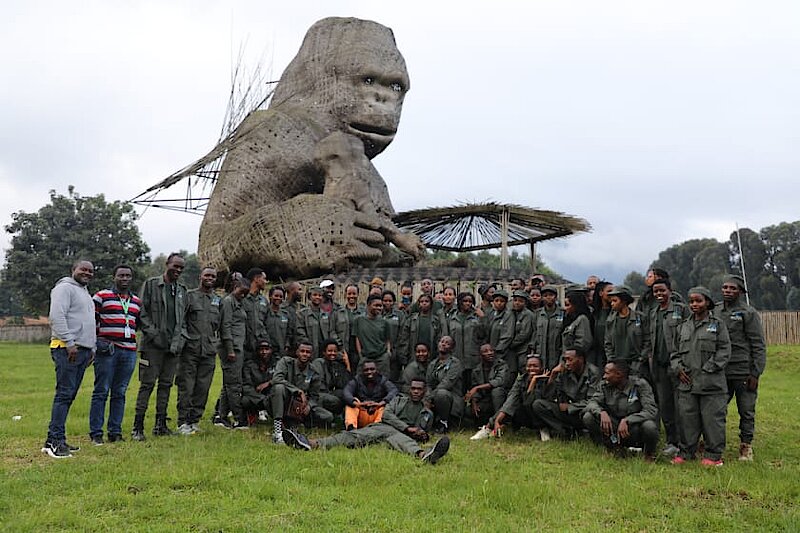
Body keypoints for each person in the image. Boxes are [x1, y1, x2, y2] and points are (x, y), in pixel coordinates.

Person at [282, 379, 450, 465]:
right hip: (384, 427)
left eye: (419, 389)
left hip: (398, 436)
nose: (415, 392)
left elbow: (422, 430)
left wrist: (421, 434)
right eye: (413, 388)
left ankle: (423, 454)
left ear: (424, 391)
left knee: (398, 438)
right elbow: (387, 415)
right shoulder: (399, 400)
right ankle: (312, 443)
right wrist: (407, 428)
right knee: (354, 436)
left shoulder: (427, 411)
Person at [670, 287, 731, 466]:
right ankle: (686, 453)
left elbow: (724, 350)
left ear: (707, 302)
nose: (694, 304)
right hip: (687, 384)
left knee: (713, 420)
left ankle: (713, 456)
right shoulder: (683, 326)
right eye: (691, 301)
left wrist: (708, 368)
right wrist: (678, 369)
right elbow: (674, 352)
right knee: (687, 420)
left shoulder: (718, 325)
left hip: (711, 383)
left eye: (698, 301)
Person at [42, 260, 96, 458]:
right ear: (73, 270)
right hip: (67, 349)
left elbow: (88, 322)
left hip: (82, 350)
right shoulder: (64, 288)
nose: (87, 273)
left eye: (90, 271)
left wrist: (92, 347)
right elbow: (56, 316)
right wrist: (69, 342)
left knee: (69, 395)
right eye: (83, 269)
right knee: (64, 394)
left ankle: (54, 438)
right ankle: (55, 442)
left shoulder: (85, 292)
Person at [133, 253, 187, 440]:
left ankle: (160, 425)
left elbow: (184, 319)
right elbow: (142, 313)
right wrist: (154, 334)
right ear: (167, 264)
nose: (178, 270)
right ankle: (138, 427)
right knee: (147, 385)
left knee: (166, 385)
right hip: (152, 346)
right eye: (175, 266)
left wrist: (180, 340)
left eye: (181, 268)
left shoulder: (182, 290)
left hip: (173, 347)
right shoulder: (151, 285)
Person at [89, 264, 141, 445]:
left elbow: (136, 324)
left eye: (128, 276)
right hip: (108, 350)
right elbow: (91, 320)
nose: (125, 279)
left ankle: (115, 432)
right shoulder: (101, 296)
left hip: (129, 351)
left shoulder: (136, 301)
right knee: (101, 391)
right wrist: (97, 342)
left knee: (120, 392)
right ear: (114, 277)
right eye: (121, 275)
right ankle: (96, 433)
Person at [720, 274, 766, 461]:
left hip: (743, 372)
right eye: (725, 287)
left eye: (732, 288)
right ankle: (714, 444)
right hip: (721, 371)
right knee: (717, 410)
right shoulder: (715, 311)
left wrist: (756, 372)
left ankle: (746, 446)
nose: (728, 291)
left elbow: (758, 344)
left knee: (746, 410)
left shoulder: (748, 313)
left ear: (740, 291)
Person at [583, 361, 659, 461]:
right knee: (589, 417)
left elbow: (650, 411)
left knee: (649, 426)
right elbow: (591, 403)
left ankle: (649, 454)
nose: (604, 377)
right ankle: (612, 448)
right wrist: (601, 412)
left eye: (607, 373)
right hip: (613, 427)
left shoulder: (640, 385)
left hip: (633, 428)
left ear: (619, 374)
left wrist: (628, 420)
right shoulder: (604, 385)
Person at [175, 267, 221, 435]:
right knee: (186, 386)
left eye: (213, 276)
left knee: (203, 387)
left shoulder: (218, 300)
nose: (210, 278)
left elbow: (221, 325)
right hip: (190, 349)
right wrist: (184, 341)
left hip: (209, 350)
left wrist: (217, 344)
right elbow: (181, 320)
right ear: (200, 277)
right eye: (207, 275)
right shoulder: (189, 296)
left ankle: (194, 420)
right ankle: (182, 422)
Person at [647, 277, 689, 457]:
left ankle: (685, 443)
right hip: (659, 367)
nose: (659, 294)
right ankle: (671, 441)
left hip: (677, 366)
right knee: (665, 407)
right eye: (655, 291)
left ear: (670, 291)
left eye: (662, 290)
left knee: (682, 408)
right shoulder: (653, 312)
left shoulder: (681, 310)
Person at [471, 355, 550, 440]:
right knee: (510, 407)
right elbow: (511, 400)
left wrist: (534, 381)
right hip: (526, 414)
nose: (532, 368)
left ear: (541, 367)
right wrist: (497, 420)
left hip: (541, 416)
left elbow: (530, 402)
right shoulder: (521, 379)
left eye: (535, 366)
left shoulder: (547, 380)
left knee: (537, 404)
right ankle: (488, 428)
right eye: (529, 366)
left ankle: (543, 429)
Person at [270, 341, 334, 443]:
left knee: (327, 417)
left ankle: (297, 425)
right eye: (302, 351)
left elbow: (314, 396)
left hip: (300, 406)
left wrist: (309, 406)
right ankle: (278, 431)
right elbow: (276, 379)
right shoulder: (286, 362)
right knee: (279, 388)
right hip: (282, 401)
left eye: (308, 352)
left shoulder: (314, 371)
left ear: (312, 354)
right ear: (297, 352)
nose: (305, 354)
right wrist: (298, 391)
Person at [532, 348, 600, 440]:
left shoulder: (593, 373)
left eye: (570, 360)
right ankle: (566, 431)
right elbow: (548, 396)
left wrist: (570, 406)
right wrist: (553, 375)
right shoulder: (565, 371)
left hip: (582, 411)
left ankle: (584, 432)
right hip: (567, 411)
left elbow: (593, 401)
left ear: (581, 359)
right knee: (538, 404)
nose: (567, 363)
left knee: (588, 415)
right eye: (565, 360)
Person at [215, 276, 251, 430]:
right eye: (241, 291)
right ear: (235, 287)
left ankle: (221, 416)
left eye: (246, 293)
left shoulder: (239, 303)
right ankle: (238, 418)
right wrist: (230, 349)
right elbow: (225, 326)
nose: (243, 295)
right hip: (231, 349)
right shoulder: (228, 302)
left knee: (228, 384)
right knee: (234, 384)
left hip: (238, 347)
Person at [604, 286, 649, 380]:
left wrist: (641, 359)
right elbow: (607, 342)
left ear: (624, 301)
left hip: (636, 365)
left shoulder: (640, 318)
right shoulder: (610, 320)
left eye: (615, 301)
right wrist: (611, 360)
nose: (612, 304)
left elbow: (647, 340)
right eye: (611, 301)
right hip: (617, 366)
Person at [464, 343, 509, 428]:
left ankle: (501, 422)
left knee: (496, 391)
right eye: (486, 351)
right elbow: (474, 388)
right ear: (480, 355)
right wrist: (474, 402)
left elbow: (499, 381)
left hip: (501, 398)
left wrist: (477, 388)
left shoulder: (501, 365)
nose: (489, 353)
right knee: (468, 411)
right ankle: (485, 423)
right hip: (486, 399)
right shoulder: (476, 370)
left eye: (491, 350)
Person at [444, 292, 482, 390]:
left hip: (472, 358)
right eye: (465, 301)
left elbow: (483, 335)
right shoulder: (451, 318)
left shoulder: (476, 318)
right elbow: (447, 337)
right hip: (456, 356)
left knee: (472, 384)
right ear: (460, 302)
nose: (467, 303)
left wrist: (482, 318)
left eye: (470, 301)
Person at [343, 360, 398, 429]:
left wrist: (381, 403)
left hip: (377, 413)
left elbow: (394, 391)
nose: (369, 372)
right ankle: (351, 428)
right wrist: (358, 404)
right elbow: (346, 392)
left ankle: (377, 429)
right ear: (362, 371)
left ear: (376, 370)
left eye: (372, 369)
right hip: (361, 412)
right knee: (351, 404)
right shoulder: (356, 380)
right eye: (366, 370)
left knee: (385, 407)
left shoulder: (383, 381)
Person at [426, 335, 464, 433]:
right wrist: (426, 397)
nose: (443, 344)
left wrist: (430, 398)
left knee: (441, 393)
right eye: (442, 341)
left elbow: (446, 384)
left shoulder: (455, 363)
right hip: (434, 396)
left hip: (451, 398)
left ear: (452, 348)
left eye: (447, 343)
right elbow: (429, 384)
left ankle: (443, 423)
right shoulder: (433, 363)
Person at [296, 286, 342, 359]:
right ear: (310, 297)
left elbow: (331, 331)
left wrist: (336, 344)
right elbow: (300, 332)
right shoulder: (302, 314)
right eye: (315, 295)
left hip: (324, 351)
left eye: (320, 295)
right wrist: (307, 347)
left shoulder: (326, 314)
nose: (317, 297)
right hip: (310, 351)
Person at [352, 294, 392, 375]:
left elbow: (388, 339)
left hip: (381, 358)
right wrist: (360, 354)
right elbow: (357, 338)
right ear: (368, 305)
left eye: (380, 306)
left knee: (382, 381)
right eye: (376, 305)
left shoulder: (385, 322)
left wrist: (388, 353)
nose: (379, 308)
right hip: (365, 357)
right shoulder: (358, 320)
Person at [312, 339, 352, 417]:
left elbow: (344, 384)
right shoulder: (319, 363)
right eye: (330, 351)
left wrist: (347, 365)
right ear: (324, 352)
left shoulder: (334, 365)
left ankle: (347, 418)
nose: (332, 353)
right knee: (335, 401)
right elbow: (319, 386)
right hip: (318, 395)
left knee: (347, 394)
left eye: (335, 351)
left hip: (329, 393)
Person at [397, 293, 441, 364]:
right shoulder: (411, 320)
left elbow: (439, 339)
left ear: (431, 304)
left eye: (426, 301)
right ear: (419, 304)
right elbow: (404, 338)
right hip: (413, 357)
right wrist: (403, 355)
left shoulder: (436, 321)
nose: (424, 303)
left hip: (431, 357)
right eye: (422, 301)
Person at [242, 340, 278, 424]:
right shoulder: (249, 365)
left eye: (267, 349)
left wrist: (269, 383)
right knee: (245, 400)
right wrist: (261, 399)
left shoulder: (277, 363)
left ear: (271, 350)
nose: (264, 352)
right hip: (256, 396)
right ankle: (252, 414)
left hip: (271, 394)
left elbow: (281, 379)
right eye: (261, 349)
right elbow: (246, 386)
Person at [483, 290, 515, 380]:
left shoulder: (508, 315)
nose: (499, 303)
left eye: (502, 301)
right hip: (491, 353)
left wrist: (497, 350)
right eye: (496, 300)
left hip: (503, 353)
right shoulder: (491, 313)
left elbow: (508, 336)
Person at [242, 268, 269, 362]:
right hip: (244, 345)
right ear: (256, 279)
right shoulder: (242, 298)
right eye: (264, 279)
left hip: (260, 346)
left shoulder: (264, 301)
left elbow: (266, 323)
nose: (266, 282)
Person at [534, 285, 563, 370]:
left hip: (557, 354)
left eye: (551, 295)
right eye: (545, 295)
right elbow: (534, 334)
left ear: (556, 297)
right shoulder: (537, 314)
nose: (548, 297)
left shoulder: (563, 313)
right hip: (541, 354)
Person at [509, 290, 536, 380]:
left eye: (520, 301)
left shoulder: (528, 315)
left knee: (524, 372)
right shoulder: (511, 313)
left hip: (523, 349)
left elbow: (524, 334)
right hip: (513, 350)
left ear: (525, 303)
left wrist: (510, 343)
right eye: (515, 300)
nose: (517, 303)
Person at [560, 289, 594, 359]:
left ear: (575, 305)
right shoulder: (570, 320)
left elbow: (582, 344)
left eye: (567, 305)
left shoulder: (582, 319)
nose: (565, 308)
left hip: (576, 360)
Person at [381, 289, 406, 384]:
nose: (387, 303)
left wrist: (397, 350)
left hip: (396, 352)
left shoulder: (399, 315)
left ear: (394, 302)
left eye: (390, 301)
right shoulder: (377, 314)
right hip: (380, 353)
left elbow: (403, 333)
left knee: (393, 380)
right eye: (385, 300)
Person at [265, 286, 293, 359]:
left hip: (281, 350)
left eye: (281, 296)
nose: (278, 298)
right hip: (266, 349)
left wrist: (287, 346)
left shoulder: (286, 314)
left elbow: (289, 332)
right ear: (270, 296)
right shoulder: (265, 313)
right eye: (276, 296)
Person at [590, 281, 613, 369]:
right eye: (609, 291)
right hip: (597, 356)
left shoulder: (616, 313)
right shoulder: (593, 314)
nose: (612, 294)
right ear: (601, 293)